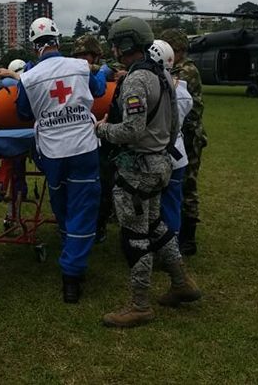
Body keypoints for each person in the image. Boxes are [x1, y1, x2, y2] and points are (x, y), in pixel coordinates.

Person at [96, 17, 201, 328]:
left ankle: (140, 304)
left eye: (116, 42)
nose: (113, 47)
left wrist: (102, 130)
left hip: (138, 168)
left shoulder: (136, 80)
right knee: (155, 226)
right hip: (161, 163)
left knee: (135, 236)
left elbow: (131, 129)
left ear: (126, 43)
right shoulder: (164, 75)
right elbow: (173, 127)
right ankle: (182, 282)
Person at [16, 17, 106, 303]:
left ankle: (71, 256)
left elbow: (22, 112)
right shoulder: (80, 66)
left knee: (63, 205)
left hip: (52, 152)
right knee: (83, 207)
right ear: (58, 40)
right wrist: (102, 71)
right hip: (83, 148)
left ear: (34, 46)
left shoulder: (28, 78)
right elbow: (100, 89)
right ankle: (72, 272)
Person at [161, 28, 208, 256]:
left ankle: (188, 238)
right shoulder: (177, 68)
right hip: (183, 133)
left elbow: (166, 82)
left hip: (190, 136)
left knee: (187, 184)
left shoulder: (186, 70)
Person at [71, 34, 113, 243]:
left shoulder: (109, 71)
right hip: (78, 136)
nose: (81, 59)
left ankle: (100, 222)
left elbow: (102, 88)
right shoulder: (71, 71)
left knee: (104, 181)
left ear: (96, 56)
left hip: (104, 136)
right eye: (77, 55)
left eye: (85, 55)